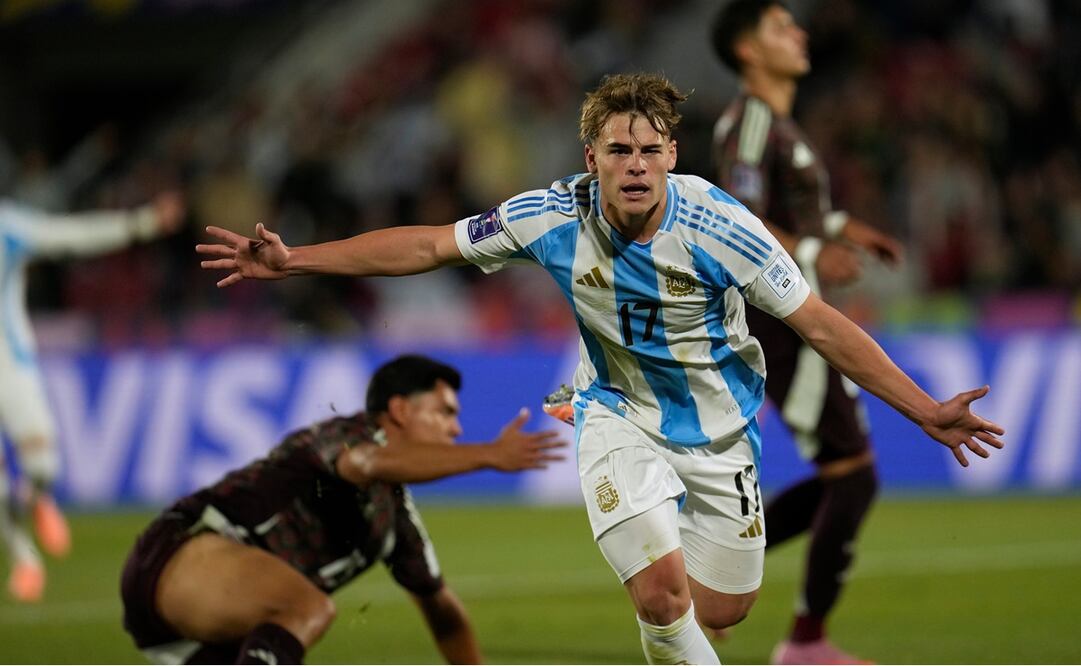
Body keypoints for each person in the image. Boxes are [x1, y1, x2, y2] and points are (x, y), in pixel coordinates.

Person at [198, 73, 1004, 665]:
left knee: (721, 608)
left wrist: (922, 407)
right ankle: (612, 478)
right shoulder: (549, 213)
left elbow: (822, 325)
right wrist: (297, 260)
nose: (634, 165)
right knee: (661, 595)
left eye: (649, 150)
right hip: (611, 410)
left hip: (721, 432)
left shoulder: (721, 225)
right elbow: (429, 244)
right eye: (617, 150)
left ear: (671, 154)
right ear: (592, 156)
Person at [120, 354, 565, 665]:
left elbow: (442, 611)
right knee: (306, 609)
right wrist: (486, 454)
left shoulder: (395, 520)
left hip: (195, 625)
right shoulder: (344, 435)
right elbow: (367, 462)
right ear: (399, 410)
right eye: (445, 412)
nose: (457, 427)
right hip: (179, 553)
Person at [711, 3, 905, 662]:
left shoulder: (778, 125)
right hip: (781, 318)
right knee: (851, 476)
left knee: (843, 475)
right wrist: (818, 255)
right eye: (777, 27)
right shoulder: (751, 122)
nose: (798, 34)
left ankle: (710, 565)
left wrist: (845, 229)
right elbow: (739, 217)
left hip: (796, 309)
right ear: (745, 49)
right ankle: (804, 644)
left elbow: (797, 212)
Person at [0, 191, 184, 602]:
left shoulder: (7, 228)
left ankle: (37, 495)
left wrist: (143, 223)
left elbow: (71, 235)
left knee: (42, 466)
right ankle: (25, 560)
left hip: (8, 364)